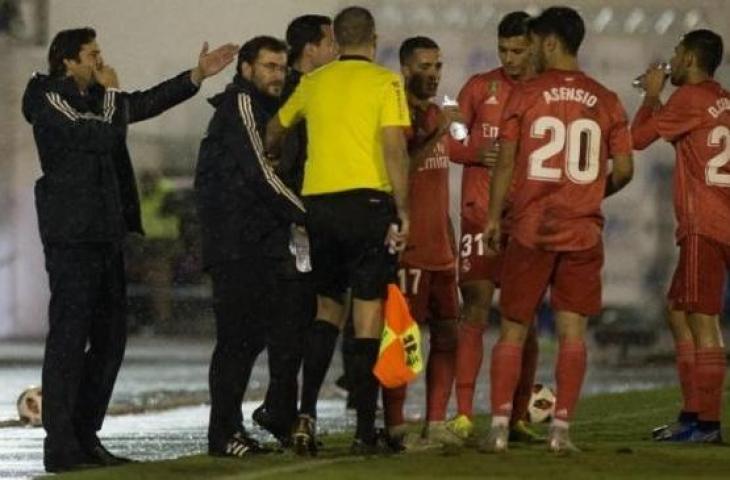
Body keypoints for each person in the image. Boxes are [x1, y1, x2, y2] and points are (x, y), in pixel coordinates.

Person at [21, 27, 237, 472]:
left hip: (106, 233)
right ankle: (60, 445)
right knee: (68, 339)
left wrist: (195, 75)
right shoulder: (45, 96)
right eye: (92, 55)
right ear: (67, 61)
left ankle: (86, 435)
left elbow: (142, 104)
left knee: (110, 339)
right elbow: (97, 134)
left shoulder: (104, 102)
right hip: (72, 236)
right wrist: (113, 93)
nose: (101, 61)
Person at [481, 7, 634, 453]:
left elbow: (506, 163)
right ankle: (561, 431)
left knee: (513, 327)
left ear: (549, 43)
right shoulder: (607, 99)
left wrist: (493, 218)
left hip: (531, 228)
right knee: (572, 333)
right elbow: (624, 170)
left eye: (533, 43)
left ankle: (498, 428)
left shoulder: (526, 94)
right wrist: (588, 196)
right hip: (582, 233)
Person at [266, 6, 410, 454]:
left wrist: (275, 155)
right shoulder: (386, 82)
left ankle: (304, 416)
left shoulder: (313, 82)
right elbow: (393, 147)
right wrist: (403, 210)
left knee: (326, 310)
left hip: (320, 209)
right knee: (367, 317)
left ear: (338, 39)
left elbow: (274, 128)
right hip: (368, 205)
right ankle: (365, 431)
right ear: (373, 39)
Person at [195, 36, 306, 457]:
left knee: (249, 337)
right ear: (245, 69)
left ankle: (231, 428)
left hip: (255, 242)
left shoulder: (263, 107)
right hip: (236, 244)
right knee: (236, 339)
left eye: (281, 67)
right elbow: (261, 172)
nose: (278, 75)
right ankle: (222, 433)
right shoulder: (239, 104)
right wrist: (307, 214)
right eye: (269, 67)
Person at [446, 11, 542, 443]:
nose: (510, 58)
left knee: (525, 318)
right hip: (478, 215)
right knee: (476, 307)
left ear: (536, 47)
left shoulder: (545, 93)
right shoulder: (479, 87)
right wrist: (473, 150)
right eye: (504, 50)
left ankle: (517, 415)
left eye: (519, 50)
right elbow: (453, 137)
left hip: (526, 218)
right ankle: (464, 413)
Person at [631, 29, 729, 444]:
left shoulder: (689, 99)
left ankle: (705, 424)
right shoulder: (723, 98)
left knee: (701, 320)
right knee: (678, 311)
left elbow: (637, 139)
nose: (670, 59)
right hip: (720, 220)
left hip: (704, 225)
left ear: (689, 58)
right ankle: (692, 414)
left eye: (676, 52)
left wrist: (652, 94)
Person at [252, 14, 336, 446]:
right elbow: (279, 154)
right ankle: (280, 410)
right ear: (313, 48)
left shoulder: (310, 90)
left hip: (303, 218)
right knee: (293, 317)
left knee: (301, 317)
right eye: (331, 43)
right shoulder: (297, 93)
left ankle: (280, 407)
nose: (336, 51)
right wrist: (298, 211)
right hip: (293, 221)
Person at [381, 36, 461, 448]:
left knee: (449, 336)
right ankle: (395, 426)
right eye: (425, 67)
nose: (433, 75)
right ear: (406, 68)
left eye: (438, 67)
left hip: (440, 252)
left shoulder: (434, 114)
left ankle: (436, 422)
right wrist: (436, 133)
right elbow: (400, 173)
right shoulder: (398, 116)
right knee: (402, 340)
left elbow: (436, 187)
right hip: (408, 250)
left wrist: (450, 238)